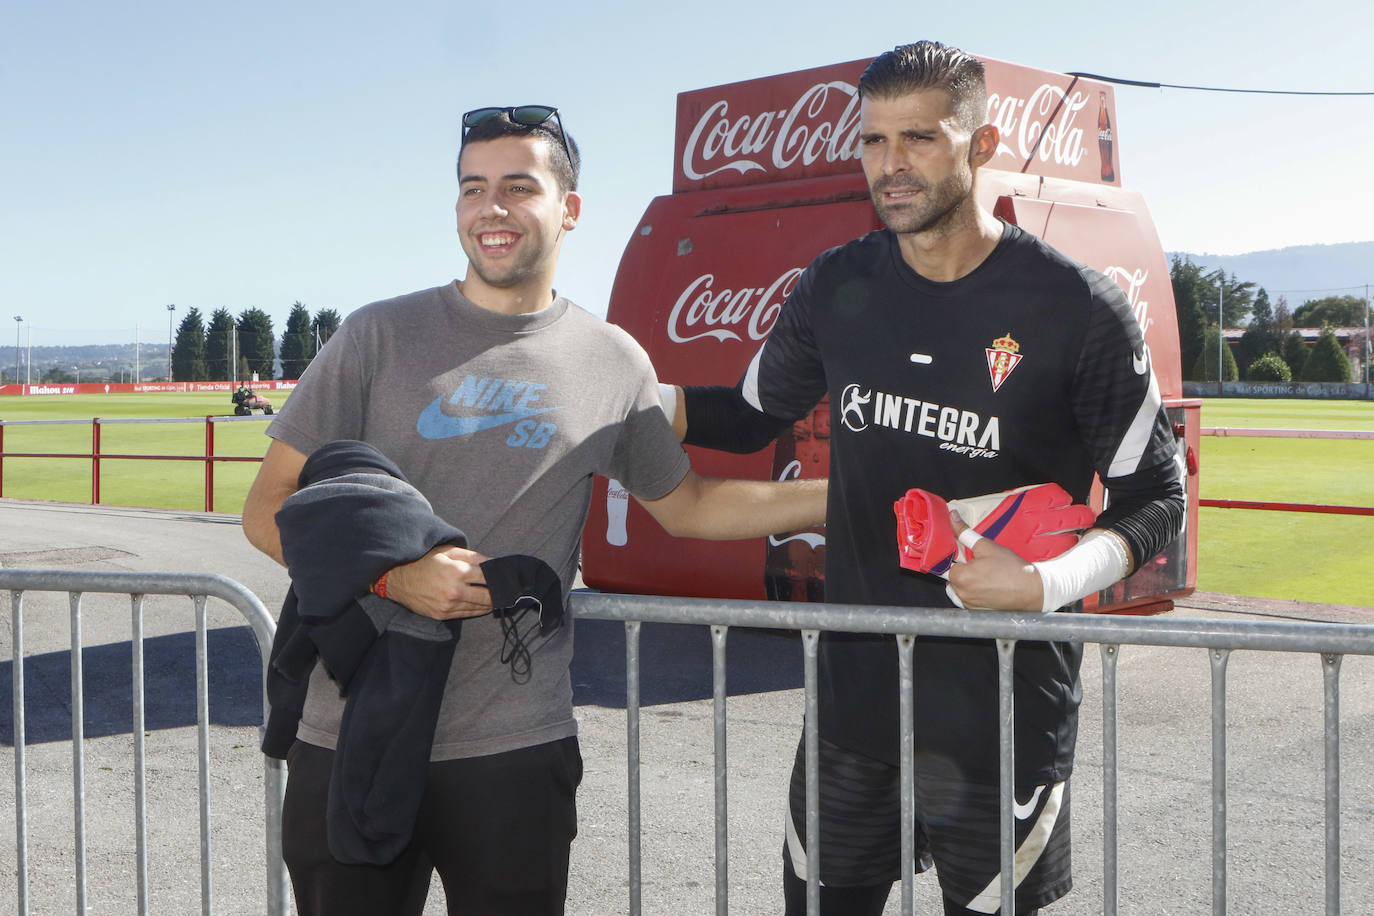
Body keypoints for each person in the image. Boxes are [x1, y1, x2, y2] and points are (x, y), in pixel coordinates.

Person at [241, 105, 826, 916]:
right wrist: (392, 581)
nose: (493, 208)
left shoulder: (610, 359)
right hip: (351, 737)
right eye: (473, 188)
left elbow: (689, 505)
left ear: (570, 208)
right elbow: (268, 510)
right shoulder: (376, 336)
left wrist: (845, 498)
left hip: (514, 748)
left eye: (520, 186)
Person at [663, 42, 1185, 915]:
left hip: (1004, 712)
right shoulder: (837, 284)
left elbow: (1156, 499)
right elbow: (749, 416)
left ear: (980, 148)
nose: (890, 164)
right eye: (872, 141)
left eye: (919, 138)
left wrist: (1044, 583)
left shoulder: (1077, 307)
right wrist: (625, 391)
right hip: (853, 703)